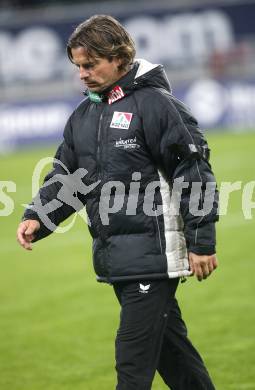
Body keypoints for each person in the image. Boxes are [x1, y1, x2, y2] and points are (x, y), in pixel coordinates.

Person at [17, 15, 219, 390]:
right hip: (119, 257)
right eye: (78, 66)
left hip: (156, 255)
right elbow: (68, 179)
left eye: (90, 64)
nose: (82, 73)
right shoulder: (83, 117)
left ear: (120, 58)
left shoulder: (157, 105)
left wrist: (202, 242)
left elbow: (193, 173)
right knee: (174, 359)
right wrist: (38, 217)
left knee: (132, 362)